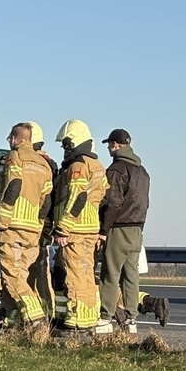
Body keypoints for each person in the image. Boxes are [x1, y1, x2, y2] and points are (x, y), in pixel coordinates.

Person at [0, 123, 54, 330]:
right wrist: (38, 222)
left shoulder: (16, 156)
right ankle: (9, 322)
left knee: (12, 274)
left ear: (15, 139)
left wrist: (3, 217)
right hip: (32, 229)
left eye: (10, 138)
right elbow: (46, 200)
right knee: (21, 274)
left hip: (13, 225)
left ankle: (35, 316)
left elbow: (13, 185)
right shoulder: (44, 164)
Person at [52, 119, 109, 331]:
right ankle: (88, 318)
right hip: (90, 229)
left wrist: (63, 228)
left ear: (72, 142)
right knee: (86, 276)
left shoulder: (77, 166)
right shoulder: (97, 166)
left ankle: (76, 322)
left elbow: (77, 197)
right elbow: (101, 196)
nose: (64, 149)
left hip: (75, 231)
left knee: (74, 275)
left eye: (65, 144)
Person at [96, 128, 151, 333]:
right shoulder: (142, 171)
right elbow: (144, 202)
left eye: (110, 144)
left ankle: (105, 317)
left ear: (116, 145)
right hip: (137, 229)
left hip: (119, 228)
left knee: (110, 274)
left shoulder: (117, 169)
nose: (109, 148)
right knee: (131, 275)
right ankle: (131, 319)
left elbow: (113, 202)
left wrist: (103, 229)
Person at [25, 121, 60, 316]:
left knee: (37, 269)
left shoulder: (30, 162)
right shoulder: (48, 164)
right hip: (40, 224)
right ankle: (37, 313)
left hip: (36, 225)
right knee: (35, 268)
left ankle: (44, 314)